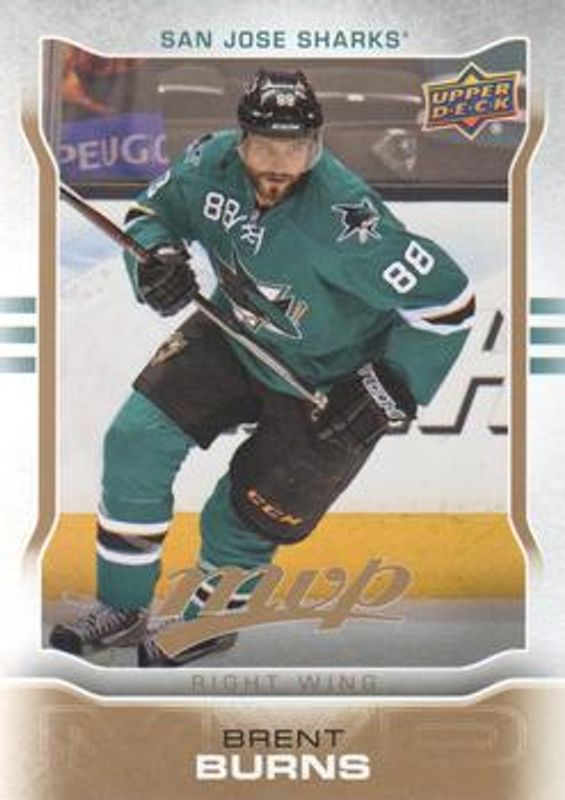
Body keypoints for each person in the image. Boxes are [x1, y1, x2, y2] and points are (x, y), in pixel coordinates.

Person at [49, 69, 475, 667]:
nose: (279, 163)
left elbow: (449, 303)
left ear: (316, 145)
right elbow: (152, 211)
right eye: (266, 147)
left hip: (327, 383)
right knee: (136, 440)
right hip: (235, 336)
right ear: (241, 139)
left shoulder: (350, 223)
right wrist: (157, 259)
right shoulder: (209, 164)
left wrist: (388, 386)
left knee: (240, 515)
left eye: (295, 148)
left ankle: (211, 622)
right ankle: (121, 606)